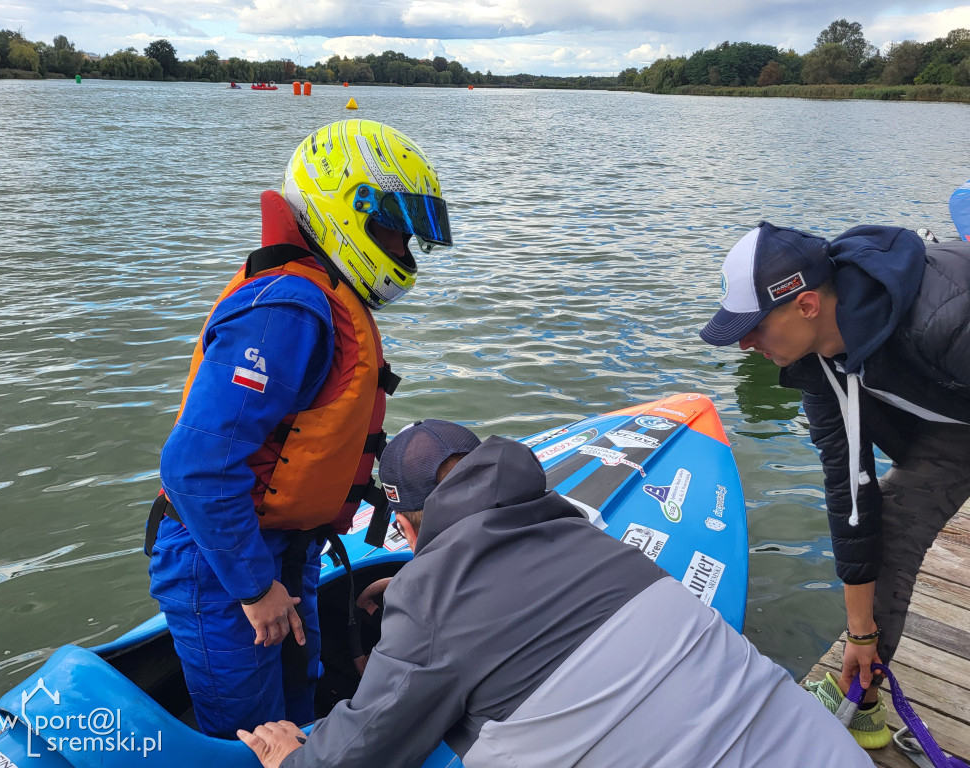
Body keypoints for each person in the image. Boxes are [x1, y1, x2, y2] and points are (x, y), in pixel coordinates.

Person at [239, 419, 875, 767]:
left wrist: (292, 759)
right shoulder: (587, 535)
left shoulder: (430, 602)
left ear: (408, 527)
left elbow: (362, 751)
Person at [145, 120, 453, 738]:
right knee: (253, 733)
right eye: (394, 229)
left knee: (299, 705)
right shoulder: (289, 309)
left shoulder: (322, 298)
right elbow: (196, 467)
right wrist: (256, 589)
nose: (403, 252)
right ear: (347, 211)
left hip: (286, 547)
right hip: (223, 559)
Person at [699, 221, 970, 748]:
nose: (745, 345)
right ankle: (861, 702)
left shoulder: (947, 317)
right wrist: (861, 631)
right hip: (953, 425)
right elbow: (849, 493)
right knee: (885, 524)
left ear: (805, 306)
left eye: (753, 328)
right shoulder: (815, 363)